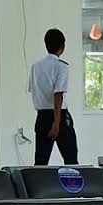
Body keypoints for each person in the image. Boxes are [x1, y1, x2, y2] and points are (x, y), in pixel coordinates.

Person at [29, 28, 77, 166]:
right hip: (59, 116)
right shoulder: (61, 66)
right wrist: (56, 123)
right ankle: (72, 182)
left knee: (40, 162)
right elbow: (58, 94)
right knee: (71, 160)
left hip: (42, 116)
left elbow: (33, 90)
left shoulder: (36, 66)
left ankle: (38, 181)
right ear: (62, 47)